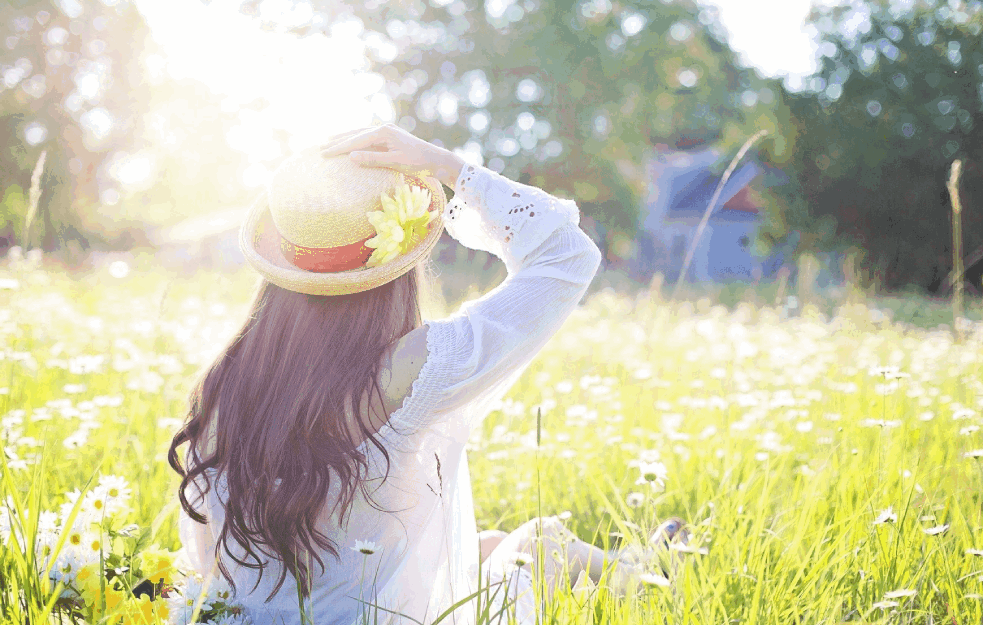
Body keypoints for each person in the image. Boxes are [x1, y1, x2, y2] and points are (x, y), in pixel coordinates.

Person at [168, 124, 653, 625]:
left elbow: (207, 560)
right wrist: (448, 167)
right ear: (397, 265)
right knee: (543, 543)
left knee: (484, 545)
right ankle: (653, 572)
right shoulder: (411, 368)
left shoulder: (225, 380)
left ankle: (646, 561)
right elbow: (567, 255)